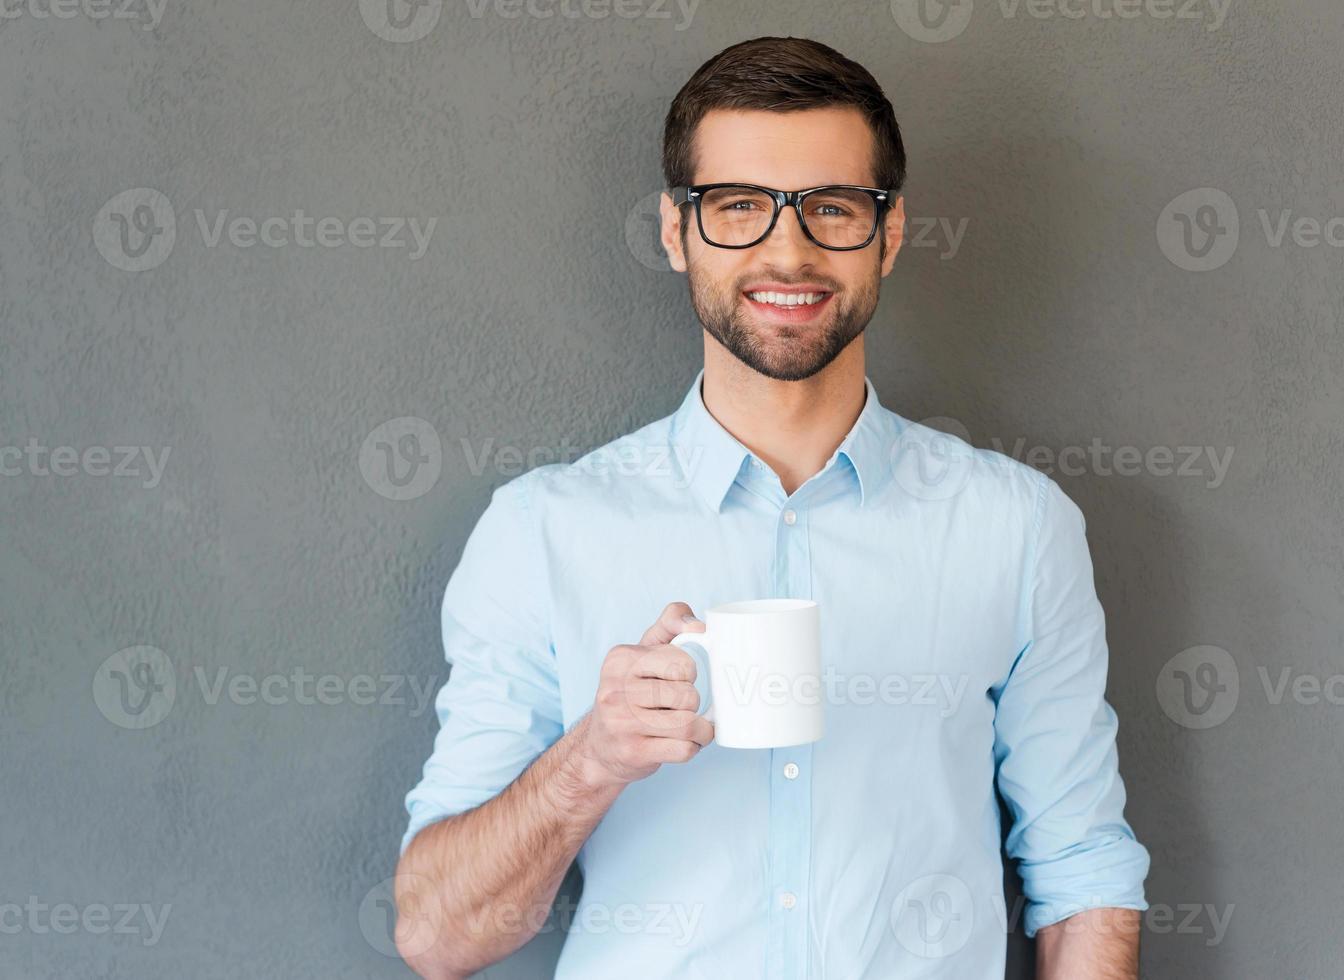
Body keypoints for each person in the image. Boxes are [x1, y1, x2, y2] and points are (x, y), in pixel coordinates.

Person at [393, 35, 1149, 980]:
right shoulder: (542, 532)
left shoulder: (1017, 527)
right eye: (737, 206)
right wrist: (592, 758)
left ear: (891, 231)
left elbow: (1080, 874)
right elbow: (436, 936)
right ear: (676, 232)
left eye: (831, 207)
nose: (785, 251)